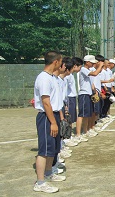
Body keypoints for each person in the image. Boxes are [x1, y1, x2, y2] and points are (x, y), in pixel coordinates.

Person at [33, 51, 65, 193]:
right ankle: (40, 183)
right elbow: (46, 103)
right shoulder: (44, 78)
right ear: (56, 62)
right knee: (44, 150)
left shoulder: (52, 77)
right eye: (60, 61)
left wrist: (59, 118)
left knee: (52, 148)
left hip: (54, 115)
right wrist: (52, 122)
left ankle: (48, 173)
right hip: (47, 117)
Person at [75, 55, 103, 142]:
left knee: (87, 114)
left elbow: (92, 84)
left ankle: (85, 131)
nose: (93, 64)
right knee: (82, 115)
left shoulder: (88, 70)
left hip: (89, 94)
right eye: (92, 62)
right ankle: (78, 134)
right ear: (87, 62)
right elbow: (95, 74)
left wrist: (95, 92)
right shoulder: (83, 69)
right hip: (83, 94)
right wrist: (101, 65)